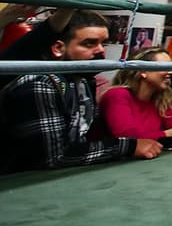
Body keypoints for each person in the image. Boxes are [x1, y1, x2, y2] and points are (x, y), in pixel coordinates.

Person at [0, 10, 163, 172]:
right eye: (89, 43)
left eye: (103, 43)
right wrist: (128, 146)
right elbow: (53, 157)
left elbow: (80, 141)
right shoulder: (41, 83)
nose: (101, 50)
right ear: (58, 48)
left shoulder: (83, 82)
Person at [100, 46, 172, 141]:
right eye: (165, 67)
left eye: (171, 67)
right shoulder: (117, 95)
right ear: (143, 71)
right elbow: (127, 138)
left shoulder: (162, 96)